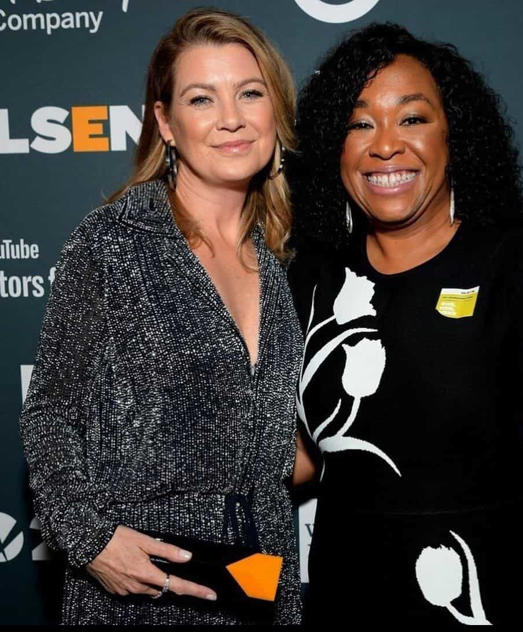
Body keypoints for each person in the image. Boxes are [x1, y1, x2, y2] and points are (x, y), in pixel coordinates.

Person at [20, 8, 303, 626]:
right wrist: (91, 541)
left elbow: (273, 441)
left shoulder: (282, 259)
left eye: (249, 93)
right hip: (142, 592)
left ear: (274, 109)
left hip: (261, 584)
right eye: (202, 99)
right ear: (166, 123)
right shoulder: (115, 242)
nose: (231, 118)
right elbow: (50, 414)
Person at [288, 23, 523, 625]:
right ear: (335, 146)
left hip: (476, 599)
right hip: (343, 600)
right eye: (360, 124)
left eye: (412, 118)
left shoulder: (517, 264)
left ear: (455, 134)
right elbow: (302, 458)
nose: (385, 146)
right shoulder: (312, 279)